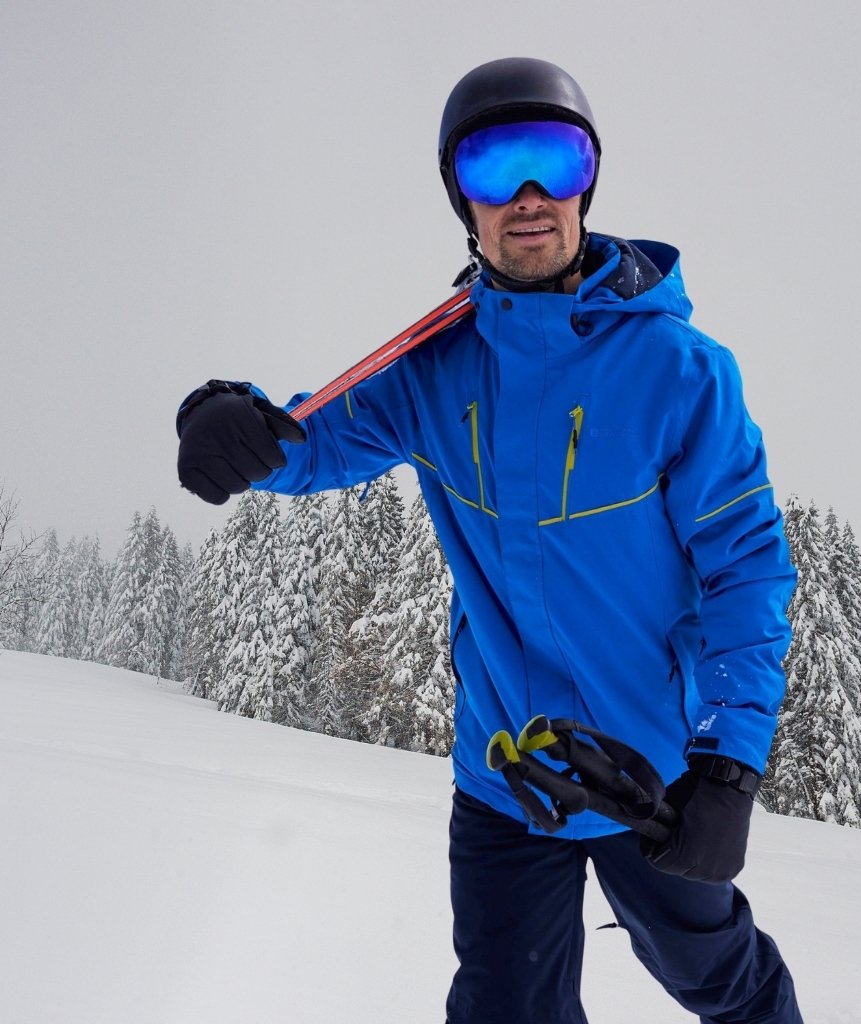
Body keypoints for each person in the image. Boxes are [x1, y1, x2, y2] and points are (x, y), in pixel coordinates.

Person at [176, 57, 803, 1024]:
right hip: (508, 776)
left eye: (555, 159)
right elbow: (312, 441)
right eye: (492, 166)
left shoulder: (681, 373)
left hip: (650, 773)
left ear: (588, 180)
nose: (527, 195)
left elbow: (746, 569)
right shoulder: (433, 369)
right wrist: (226, 417)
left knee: (720, 981)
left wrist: (729, 763)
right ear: (459, 198)